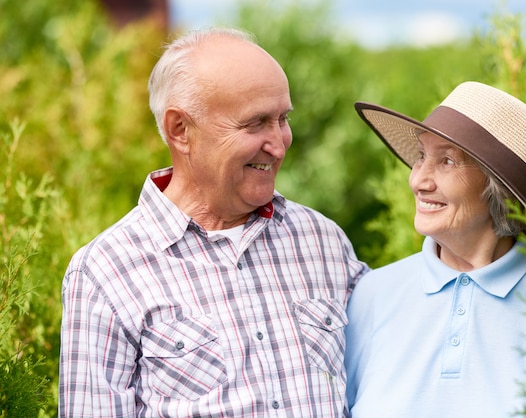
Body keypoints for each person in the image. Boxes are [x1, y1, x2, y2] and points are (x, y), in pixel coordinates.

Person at [58, 27, 368, 417]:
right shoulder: (106, 271)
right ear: (180, 130)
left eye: (282, 119)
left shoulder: (322, 240)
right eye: (255, 124)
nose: (278, 143)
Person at [344, 81, 526, 417]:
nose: (418, 180)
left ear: (498, 190)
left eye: (448, 161)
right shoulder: (373, 294)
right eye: (422, 156)